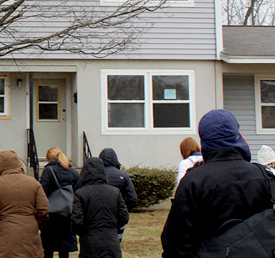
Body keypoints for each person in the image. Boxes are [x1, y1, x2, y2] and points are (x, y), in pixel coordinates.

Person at [161, 109, 273, 257]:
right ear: (236, 135)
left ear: (205, 141)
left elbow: (176, 241)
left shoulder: (193, 181)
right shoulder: (264, 175)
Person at [0, 150, 49, 258]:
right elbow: (44, 209)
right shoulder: (34, 183)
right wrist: (36, 224)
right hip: (30, 232)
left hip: (5, 232)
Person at [72, 157, 129, 258]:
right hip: (111, 240)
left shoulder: (81, 193)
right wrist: (112, 228)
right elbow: (124, 217)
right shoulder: (115, 192)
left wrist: (83, 232)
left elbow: (77, 220)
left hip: (90, 241)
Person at [39, 147, 80, 258]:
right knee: (64, 249)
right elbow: (78, 192)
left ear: (49, 159)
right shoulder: (73, 172)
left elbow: (42, 192)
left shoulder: (48, 171)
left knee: (48, 248)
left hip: (51, 216)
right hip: (67, 214)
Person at [98, 148, 137, 240]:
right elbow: (132, 197)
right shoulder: (123, 175)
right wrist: (125, 208)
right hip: (117, 212)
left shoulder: (97, 175)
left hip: (100, 212)